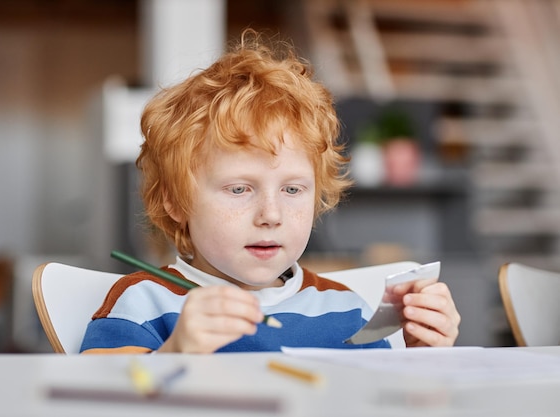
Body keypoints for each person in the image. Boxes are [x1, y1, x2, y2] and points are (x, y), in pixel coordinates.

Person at [80, 29, 460, 354]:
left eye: (293, 189)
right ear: (175, 202)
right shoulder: (144, 302)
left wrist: (420, 356)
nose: (271, 215)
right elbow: (96, 397)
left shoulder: (345, 309)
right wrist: (172, 353)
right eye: (240, 189)